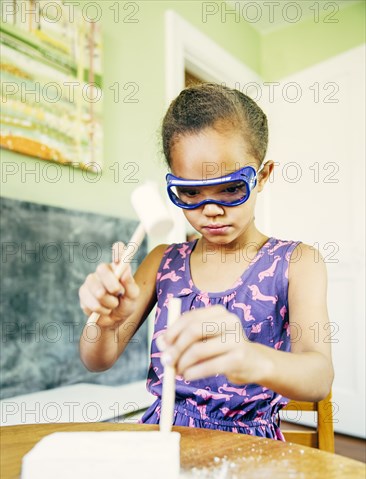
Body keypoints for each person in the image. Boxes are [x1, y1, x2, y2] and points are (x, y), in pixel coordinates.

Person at [79, 83, 334, 439]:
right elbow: (96, 360)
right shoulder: (161, 261)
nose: (211, 210)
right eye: (191, 193)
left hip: (250, 447)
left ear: (262, 177)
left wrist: (251, 358)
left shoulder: (297, 263)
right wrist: (105, 325)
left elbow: (319, 377)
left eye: (231, 188)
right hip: (163, 438)